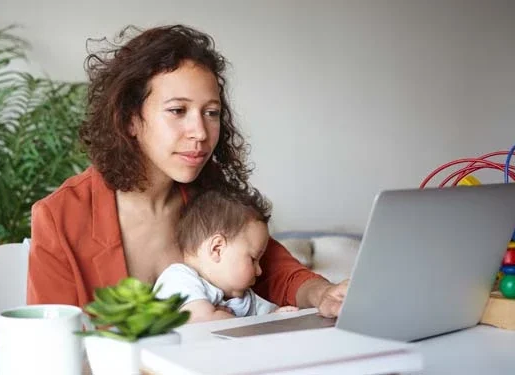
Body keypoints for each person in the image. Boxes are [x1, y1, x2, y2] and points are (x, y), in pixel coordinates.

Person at [26, 24, 349, 318]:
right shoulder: (60, 217)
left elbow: (273, 269)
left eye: (211, 113)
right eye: (177, 111)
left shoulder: (212, 196)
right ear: (130, 119)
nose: (200, 131)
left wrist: (322, 294)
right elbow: (48, 340)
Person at [154, 189, 299, 323]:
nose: (259, 271)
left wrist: (278, 314)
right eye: (253, 259)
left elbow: (269, 318)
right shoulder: (179, 278)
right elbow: (201, 320)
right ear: (217, 249)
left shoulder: (243, 296)